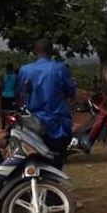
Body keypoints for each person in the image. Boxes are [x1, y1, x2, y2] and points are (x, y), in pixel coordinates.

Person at [18, 39, 76, 169]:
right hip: (57, 125)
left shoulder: (24, 70)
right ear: (52, 51)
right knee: (56, 161)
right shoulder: (59, 68)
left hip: (32, 124)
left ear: (34, 52)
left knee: (35, 161)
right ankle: (52, 185)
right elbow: (71, 91)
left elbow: (20, 96)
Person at [0, 63, 18, 129]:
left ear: (6, 68)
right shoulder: (16, 76)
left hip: (4, 95)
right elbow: (17, 87)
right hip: (13, 95)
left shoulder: (3, 76)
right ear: (12, 68)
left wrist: (0, 94)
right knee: (12, 111)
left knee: (4, 111)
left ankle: (3, 125)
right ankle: (11, 125)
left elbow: (1, 86)